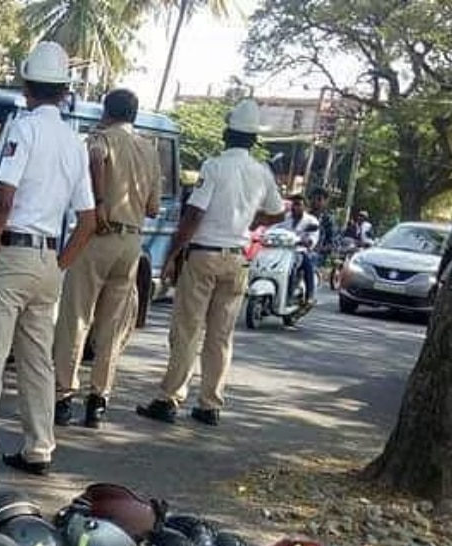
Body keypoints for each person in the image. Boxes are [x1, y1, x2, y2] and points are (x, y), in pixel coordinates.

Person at [0, 41, 96, 480]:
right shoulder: (75, 142)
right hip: (49, 262)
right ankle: (39, 448)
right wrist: (61, 263)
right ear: (64, 91)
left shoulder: (23, 130)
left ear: (27, 86)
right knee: (37, 361)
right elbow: (88, 219)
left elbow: (3, 198)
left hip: (13, 254)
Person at [135, 98, 284, 428]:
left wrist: (174, 252)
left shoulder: (214, 167)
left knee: (188, 330)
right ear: (253, 140)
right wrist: (250, 221)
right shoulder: (262, 173)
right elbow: (278, 211)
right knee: (220, 336)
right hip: (238, 259)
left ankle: (169, 398)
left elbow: (194, 214)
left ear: (226, 134)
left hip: (203, 254)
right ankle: (210, 404)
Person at [52, 87, 160, 430]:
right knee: (112, 324)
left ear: (106, 111)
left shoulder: (100, 138)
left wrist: (99, 201)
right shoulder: (149, 150)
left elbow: (96, 157)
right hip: (132, 242)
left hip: (99, 235)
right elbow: (154, 207)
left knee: (76, 317)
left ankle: (63, 396)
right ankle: (99, 400)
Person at [280, 193, 320, 302]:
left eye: (298, 205)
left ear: (305, 207)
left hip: (299, 251)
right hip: (281, 250)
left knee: (307, 265)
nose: (294, 207)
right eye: (293, 204)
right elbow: (274, 227)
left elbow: (313, 238)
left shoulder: (311, 221)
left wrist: (307, 241)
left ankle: (309, 294)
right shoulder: (285, 217)